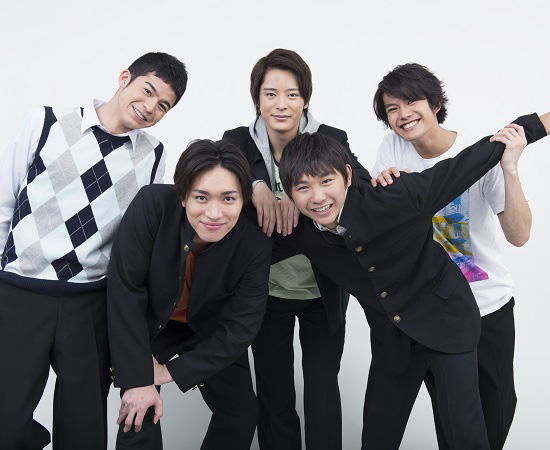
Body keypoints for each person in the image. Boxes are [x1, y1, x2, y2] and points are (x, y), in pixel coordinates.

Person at [274, 112, 549, 449]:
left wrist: (535, 126)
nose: (317, 197)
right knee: (377, 440)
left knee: (466, 436)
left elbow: (469, 162)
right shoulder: (299, 230)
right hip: (393, 340)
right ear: (290, 193)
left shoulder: (397, 196)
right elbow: (241, 237)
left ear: (347, 175)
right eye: (303, 188)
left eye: (325, 182)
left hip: (447, 323)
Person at [0, 52, 188, 450]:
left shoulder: (153, 155)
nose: (150, 107)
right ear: (124, 78)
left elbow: (137, 235)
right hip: (20, 291)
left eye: (163, 106)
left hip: (90, 303)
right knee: (6, 425)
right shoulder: (45, 122)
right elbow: (3, 202)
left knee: (83, 430)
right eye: (147, 91)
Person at [370, 63, 526, 449]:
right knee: (454, 424)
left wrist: (509, 169)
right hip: (432, 313)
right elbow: (381, 227)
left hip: (486, 305)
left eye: (411, 102)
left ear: (435, 104)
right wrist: (381, 188)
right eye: (392, 109)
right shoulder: (392, 148)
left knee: (496, 411)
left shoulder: (478, 152)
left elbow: (520, 236)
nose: (403, 114)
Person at [223, 48, 369, 450]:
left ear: (305, 99)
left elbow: (359, 185)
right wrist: (255, 186)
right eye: (270, 94)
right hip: (264, 291)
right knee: (274, 393)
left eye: (291, 94)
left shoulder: (332, 138)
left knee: (322, 388)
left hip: (323, 290)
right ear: (257, 98)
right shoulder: (236, 141)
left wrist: (298, 189)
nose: (281, 104)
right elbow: (221, 178)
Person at [108, 139, 272, 450]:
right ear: (183, 195)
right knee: (140, 406)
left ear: (243, 199)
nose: (214, 213)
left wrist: (168, 372)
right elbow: (125, 289)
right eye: (201, 197)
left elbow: (241, 328)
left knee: (241, 412)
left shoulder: (255, 245)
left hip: (208, 329)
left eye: (228, 199)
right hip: (150, 324)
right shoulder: (152, 205)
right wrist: (141, 378)